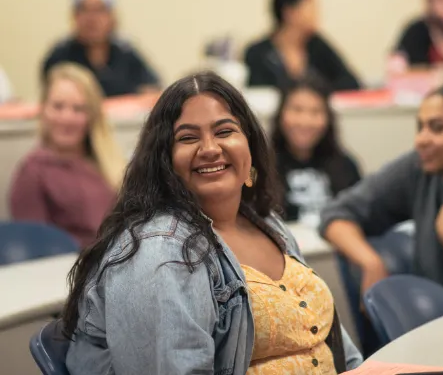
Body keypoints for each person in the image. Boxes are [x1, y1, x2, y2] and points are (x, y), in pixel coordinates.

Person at [62, 71, 362, 374]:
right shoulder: (160, 253)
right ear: (164, 160)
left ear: (250, 144)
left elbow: (329, 341)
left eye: (224, 131)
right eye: (188, 138)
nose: (209, 149)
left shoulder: (265, 221)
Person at [320, 81, 443, 306]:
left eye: (437, 128)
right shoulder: (419, 167)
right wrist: (372, 264)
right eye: (420, 127)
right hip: (431, 323)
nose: (421, 140)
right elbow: (337, 213)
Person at [10, 63, 126, 247]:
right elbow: (33, 248)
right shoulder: (32, 172)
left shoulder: (109, 164)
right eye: (58, 106)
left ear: (92, 116)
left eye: (78, 109)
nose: (67, 118)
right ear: (44, 110)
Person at [42, 0, 161, 97]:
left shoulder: (126, 53)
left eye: (99, 10)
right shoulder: (60, 56)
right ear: (74, 16)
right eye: (84, 10)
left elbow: (153, 94)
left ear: (112, 17)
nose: (92, 18)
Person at [272, 76, 361, 225]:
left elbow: (360, 216)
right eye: (297, 110)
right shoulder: (262, 164)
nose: (305, 121)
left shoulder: (345, 165)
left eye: (316, 112)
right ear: (281, 113)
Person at [245, 0, 361, 92]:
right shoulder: (257, 52)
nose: (317, 12)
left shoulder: (317, 45)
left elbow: (351, 83)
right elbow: (257, 91)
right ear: (289, 12)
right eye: (310, 4)